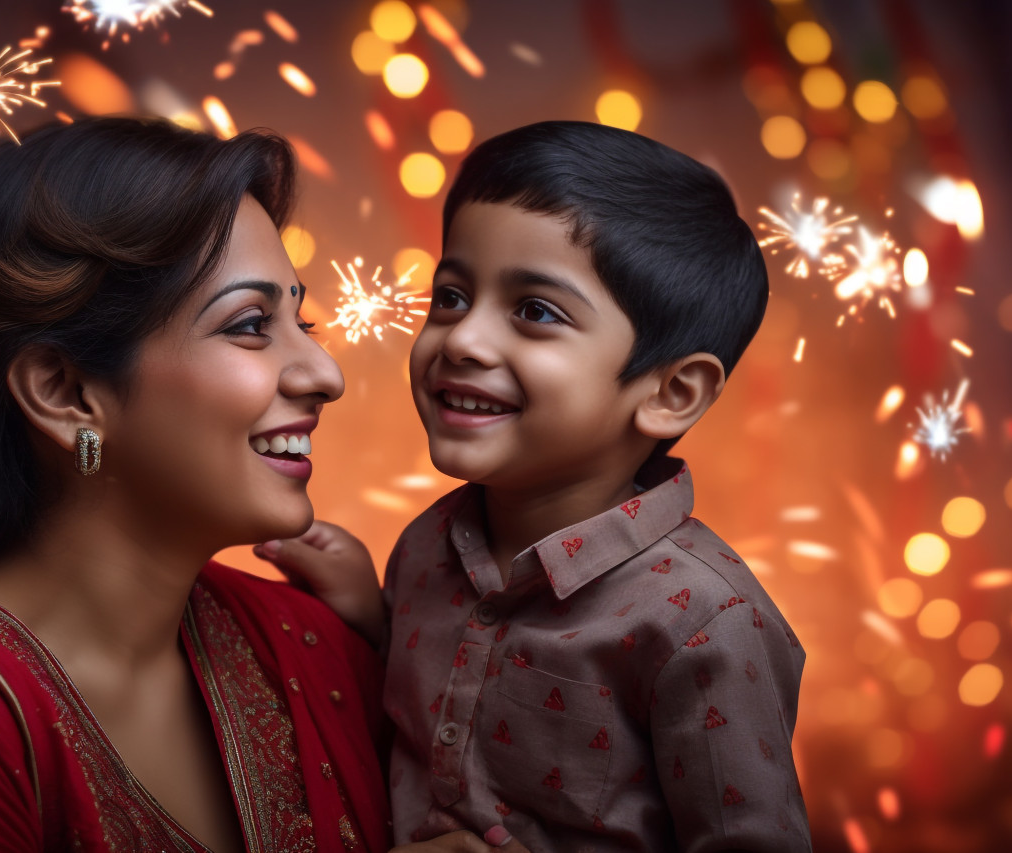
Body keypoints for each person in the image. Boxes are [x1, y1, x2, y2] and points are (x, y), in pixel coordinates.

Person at [0, 117, 520, 853]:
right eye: (250, 325)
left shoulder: (306, 645)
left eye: (301, 319)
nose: (323, 375)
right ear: (67, 393)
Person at [258, 121, 812, 851]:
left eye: (535, 312)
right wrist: (369, 614)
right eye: (452, 296)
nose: (461, 338)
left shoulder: (706, 623)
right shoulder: (427, 546)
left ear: (672, 392)